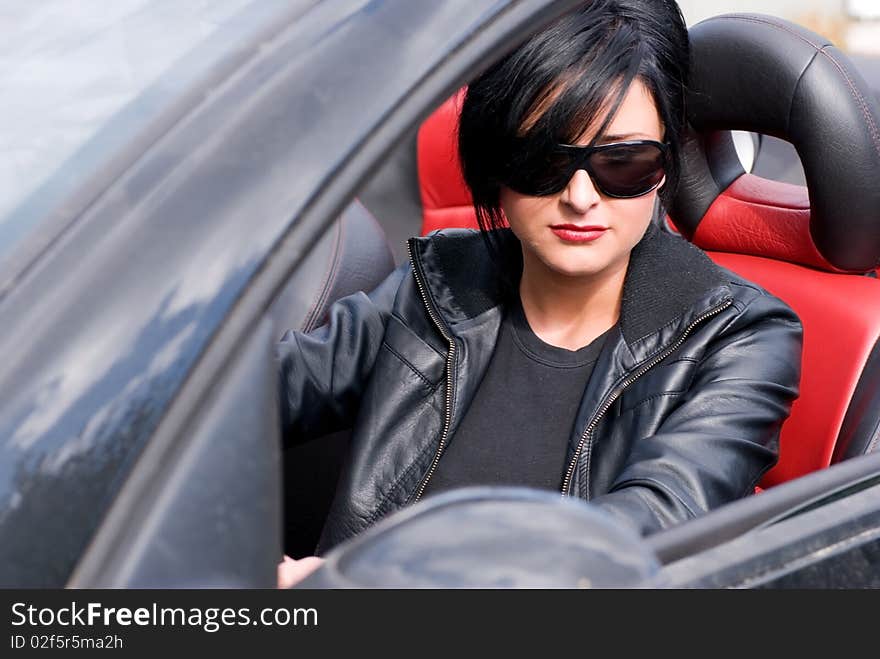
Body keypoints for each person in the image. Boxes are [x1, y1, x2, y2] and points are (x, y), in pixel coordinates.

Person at [276, 0, 803, 587]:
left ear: (665, 165)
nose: (580, 197)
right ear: (494, 161)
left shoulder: (738, 336)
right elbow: (257, 397)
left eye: (623, 162)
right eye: (543, 159)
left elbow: (646, 528)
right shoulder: (439, 282)